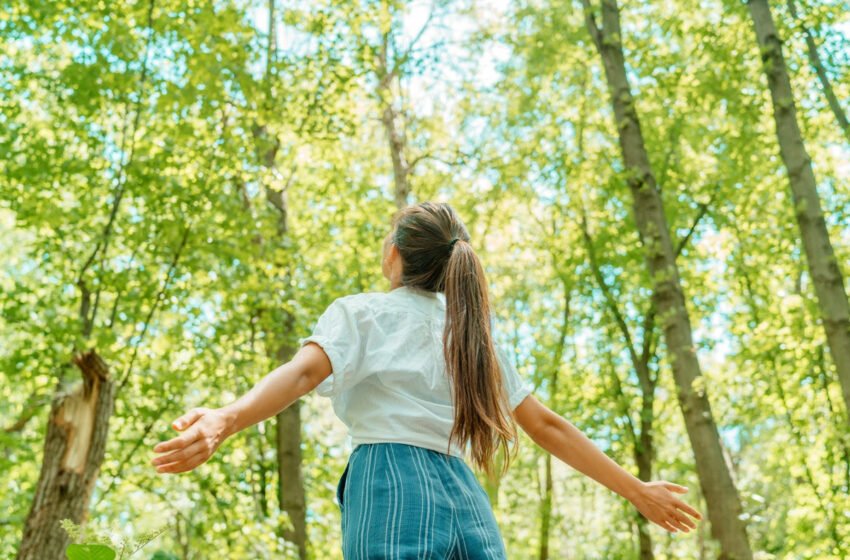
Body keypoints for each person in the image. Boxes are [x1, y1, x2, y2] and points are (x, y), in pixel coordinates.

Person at [151, 201, 702, 558]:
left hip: (390, 478)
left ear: (394, 255)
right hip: (464, 493)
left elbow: (300, 376)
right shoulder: (475, 337)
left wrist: (227, 417)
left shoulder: (363, 312)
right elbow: (547, 425)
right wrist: (636, 490)